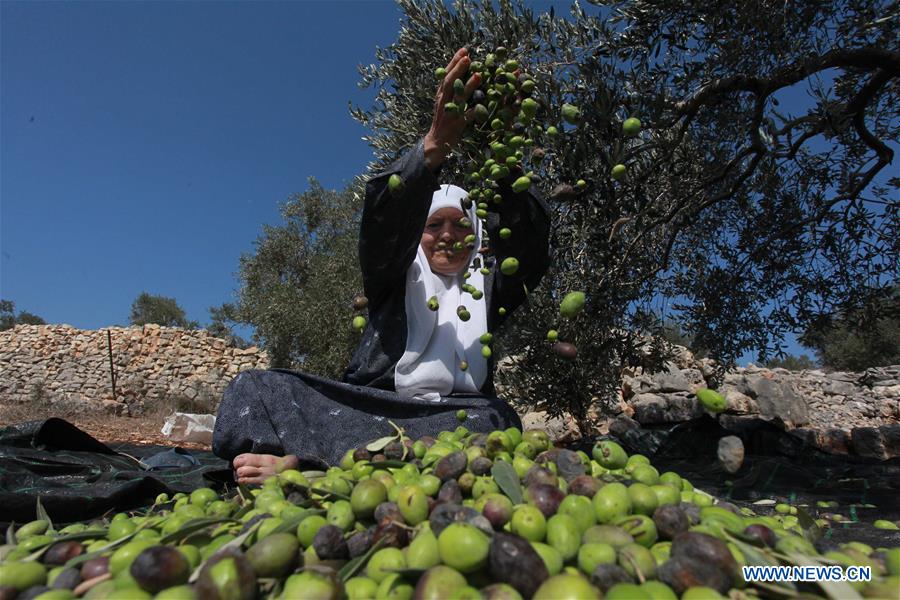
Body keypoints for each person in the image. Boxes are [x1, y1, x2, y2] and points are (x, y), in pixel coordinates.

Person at [213, 48, 550, 484]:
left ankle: (311, 466)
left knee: (495, 419)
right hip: (371, 407)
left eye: (459, 225)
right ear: (416, 234)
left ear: (480, 236)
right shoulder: (395, 274)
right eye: (434, 225)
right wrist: (435, 144)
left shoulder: (489, 289)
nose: (448, 235)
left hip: (455, 416)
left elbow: (530, 248)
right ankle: (369, 462)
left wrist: (504, 157)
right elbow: (384, 223)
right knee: (256, 387)